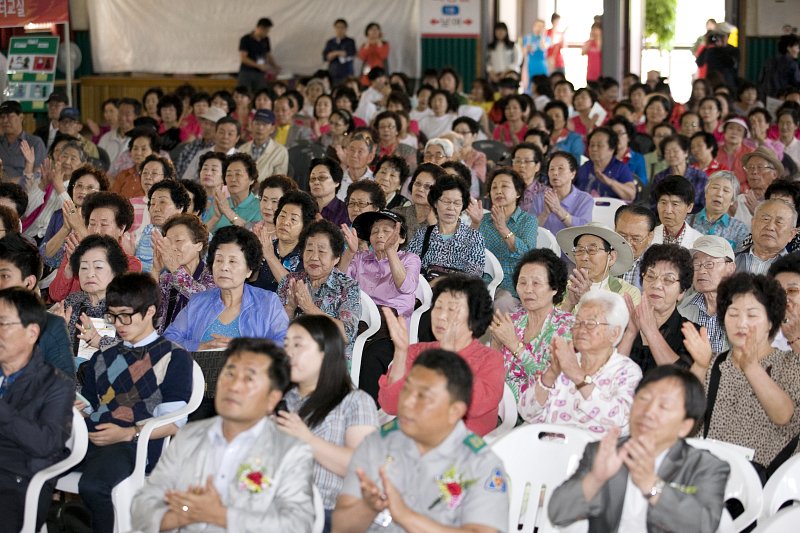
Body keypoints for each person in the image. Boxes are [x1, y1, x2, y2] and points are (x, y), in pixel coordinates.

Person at [130, 338, 315, 532]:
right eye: (229, 373)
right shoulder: (189, 437)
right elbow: (142, 505)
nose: (233, 386)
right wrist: (183, 514)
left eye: (249, 379)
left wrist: (221, 515)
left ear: (272, 398)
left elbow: (298, 525)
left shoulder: (290, 451)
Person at [333, 349, 509, 532]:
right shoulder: (377, 444)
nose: (408, 402)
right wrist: (368, 507)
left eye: (423, 396)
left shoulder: (480, 464)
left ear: (455, 411)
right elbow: (340, 527)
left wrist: (407, 517)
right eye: (406, 389)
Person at [75, 273, 194, 533]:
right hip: (95, 437)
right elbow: (93, 407)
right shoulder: (102, 358)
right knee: (31, 458)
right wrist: (78, 411)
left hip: (139, 445)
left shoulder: (173, 357)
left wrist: (129, 433)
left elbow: (174, 422)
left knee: (92, 485)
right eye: (113, 316)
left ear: (150, 311)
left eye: (126, 315)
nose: (119, 324)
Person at [548, 365, 729, 532]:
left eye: (664, 406)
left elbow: (704, 527)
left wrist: (651, 485)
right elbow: (558, 514)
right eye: (643, 399)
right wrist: (595, 478)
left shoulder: (705, 466)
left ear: (685, 426)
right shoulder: (604, 452)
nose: (648, 412)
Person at [686, 273, 800, 479]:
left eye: (752, 314)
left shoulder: (791, 364)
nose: (741, 323)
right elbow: (681, 419)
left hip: (765, 487)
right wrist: (700, 366)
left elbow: (784, 416)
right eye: (733, 313)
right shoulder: (713, 362)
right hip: (706, 477)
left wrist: (751, 367)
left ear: (771, 321)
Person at [278, 315, 378, 529]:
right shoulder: (282, 401)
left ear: (326, 351)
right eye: (286, 344)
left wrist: (307, 439)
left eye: (298, 344)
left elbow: (363, 468)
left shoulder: (355, 401)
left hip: (328, 513)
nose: (288, 352)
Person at [378, 274, 504, 436]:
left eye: (451, 309)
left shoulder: (490, 360)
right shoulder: (416, 351)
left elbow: (474, 406)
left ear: (474, 318)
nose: (441, 316)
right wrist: (401, 353)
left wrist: (448, 358)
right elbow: (390, 405)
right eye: (438, 307)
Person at [518, 289, 642, 436]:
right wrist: (551, 373)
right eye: (577, 322)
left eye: (590, 323)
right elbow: (526, 412)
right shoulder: (566, 361)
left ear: (614, 333)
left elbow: (621, 422)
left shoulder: (626, 371)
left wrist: (577, 375)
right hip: (550, 448)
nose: (581, 329)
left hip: (593, 454)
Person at [0, 287, 73, 533]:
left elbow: (47, 444)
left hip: (17, 483)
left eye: (3, 324)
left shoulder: (55, 385)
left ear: (32, 333)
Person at [164, 225, 288, 353]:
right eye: (219, 260)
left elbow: (286, 344)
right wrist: (199, 347)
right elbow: (168, 340)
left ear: (249, 270)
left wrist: (245, 347)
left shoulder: (268, 302)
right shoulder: (198, 302)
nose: (224, 267)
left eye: (232, 261)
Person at [490, 249, 574, 400]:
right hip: (500, 404)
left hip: (540, 411)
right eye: (522, 283)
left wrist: (515, 345)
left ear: (554, 288)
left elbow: (553, 384)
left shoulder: (566, 326)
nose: (527, 290)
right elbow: (492, 372)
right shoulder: (512, 321)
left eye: (536, 283)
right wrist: (496, 344)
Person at [277, 220, 360, 359]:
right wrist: (290, 308)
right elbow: (274, 330)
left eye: (322, 251)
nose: (314, 257)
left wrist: (310, 308)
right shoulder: (289, 281)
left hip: (330, 360)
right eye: (309, 250)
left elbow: (346, 335)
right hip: (291, 356)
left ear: (336, 258)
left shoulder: (348, 287)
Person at [618, 244, 696, 374]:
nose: (657, 285)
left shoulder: (691, 334)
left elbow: (682, 379)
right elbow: (610, 377)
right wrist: (630, 333)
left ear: (682, 292)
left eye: (668, 280)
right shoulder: (623, 324)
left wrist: (651, 331)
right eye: (650, 276)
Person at [470, 168, 539, 311]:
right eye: (494, 187)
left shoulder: (528, 221)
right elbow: (468, 253)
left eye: (505, 186)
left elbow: (527, 255)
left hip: (513, 286)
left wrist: (503, 228)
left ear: (518, 193)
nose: (498, 191)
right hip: (483, 283)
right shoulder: (483, 220)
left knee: (501, 303)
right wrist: (475, 223)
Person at [53, 234, 129, 360]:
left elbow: (136, 352)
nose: (89, 274)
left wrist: (99, 341)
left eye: (98, 267)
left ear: (115, 271)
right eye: (84, 268)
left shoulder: (128, 307)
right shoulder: (72, 303)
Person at [406, 174, 485, 281]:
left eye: (457, 203)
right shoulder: (423, 234)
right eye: (446, 201)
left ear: (463, 206)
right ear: (435, 203)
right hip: (425, 291)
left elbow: (475, 275)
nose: (451, 208)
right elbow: (409, 266)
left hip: (458, 293)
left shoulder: (474, 236)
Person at [556, 222, 641, 313]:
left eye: (592, 250)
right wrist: (569, 303)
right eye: (579, 250)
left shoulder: (627, 293)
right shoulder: (561, 289)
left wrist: (587, 298)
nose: (584, 257)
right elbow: (549, 326)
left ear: (611, 257)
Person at [152, 213, 215, 334]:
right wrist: (155, 270)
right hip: (166, 344)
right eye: (168, 242)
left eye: (178, 240)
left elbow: (202, 300)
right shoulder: (167, 279)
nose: (173, 247)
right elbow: (150, 313)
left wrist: (174, 267)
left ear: (199, 245)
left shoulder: (213, 275)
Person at [678, 235, 736, 354]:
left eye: (709, 264)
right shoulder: (682, 308)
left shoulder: (744, 309)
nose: (701, 271)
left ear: (730, 268)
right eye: (696, 265)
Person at [251, 190, 317, 293]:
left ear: (305, 225)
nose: (285, 222)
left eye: (293, 219)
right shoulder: (266, 246)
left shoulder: (308, 256)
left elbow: (295, 291)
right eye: (282, 216)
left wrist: (270, 257)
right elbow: (249, 279)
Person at [533, 151, 594, 235]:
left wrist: (559, 210)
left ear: (573, 173)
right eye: (551, 169)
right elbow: (528, 232)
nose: (555, 173)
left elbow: (585, 230)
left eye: (560, 168)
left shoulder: (585, 199)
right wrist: (545, 214)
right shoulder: (539, 198)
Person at [135, 180, 190, 273]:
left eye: (163, 202)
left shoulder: (194, 236)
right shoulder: (149, 231)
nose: (156, 208)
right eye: (152, 203)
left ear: (180, 207)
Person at [688, 171, 749, 250]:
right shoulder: (687, 221)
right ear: (706, 193)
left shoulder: (740, 229)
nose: (719, 194)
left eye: (726, 190)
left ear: (732, 200)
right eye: (715, 187)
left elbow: (742, 259)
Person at [735, 198, 798, 274]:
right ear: (753, 223)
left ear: (791, 234)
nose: (770, 227)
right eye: (765, 219)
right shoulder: (731, 258)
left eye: (779, 222)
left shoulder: (795, 268)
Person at [205, 153, 262, 232]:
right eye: (228, 175)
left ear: (251, 179)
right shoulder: (220, 203)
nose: (233, 179)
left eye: (238, 174)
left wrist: (228, 211)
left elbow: (254, 235)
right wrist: (215, 218)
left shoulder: (260, 207)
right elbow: (201, 236)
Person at [576, 127, 637, 201]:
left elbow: (631, 195)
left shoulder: (620, 168)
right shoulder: (584, 168)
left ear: (612, 149)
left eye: (599, 145)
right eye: (592, 145)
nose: (594, 149)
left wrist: (610, 182)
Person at [651, 136, 708, 213]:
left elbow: (705, 205)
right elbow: (654, 204)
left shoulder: (700, 176)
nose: (671, 155)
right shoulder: (660, 177)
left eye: (675, 151)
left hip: (693, 220)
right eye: (667, 152)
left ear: (686, 153)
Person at [180, 113, 240, 183]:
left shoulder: (241, 158)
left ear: (237, 138)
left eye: (230, 134)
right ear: (215, 133)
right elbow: (187, 180)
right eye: (221, 132)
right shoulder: (202, 154)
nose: (225, 137)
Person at [733, 146, 784, 227]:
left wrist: (760, 213)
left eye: (760, 167)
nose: (754, 172)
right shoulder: (737, 202)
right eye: (750, 167)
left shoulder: (782, 204)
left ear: (774, 174)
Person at [391, 163, 443, 242]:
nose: (420, 189)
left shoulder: (444, 222)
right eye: (417, 183)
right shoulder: (397, 213)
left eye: (427, 186)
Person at [238, 109, 289, 182]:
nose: (260, 128)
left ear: (272, 128)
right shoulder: (242, 149)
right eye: (257, 123)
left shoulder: (280, 151)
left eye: (264, 124)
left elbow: (279, 182)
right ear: (251, 125)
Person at [0, 101, 46, 180]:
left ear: (21, 117)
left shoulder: (35, 142)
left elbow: (39, 175)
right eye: (2, 117)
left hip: (26, 189)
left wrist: (15, 181)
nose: (5, 120)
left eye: (9, 116)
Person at [615, 204, 656, 291]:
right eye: (622, 236)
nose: (628, 243)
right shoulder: (604, 256)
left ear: (650, 236)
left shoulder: (657, 264)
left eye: (635, 239)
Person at [237, 18, 280, 92]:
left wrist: (275, 66)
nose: (267, 33)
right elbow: (243, 58)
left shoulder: (266, 39)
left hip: (260, 74)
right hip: (246, 72)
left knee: (261, 93)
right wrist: (258, 66)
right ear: (260, 28)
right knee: (245, 94)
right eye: (266, 31)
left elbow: (268, 54)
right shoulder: (246, 39)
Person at [716, 117, 754, 194]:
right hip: (718, 191)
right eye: (731, 128)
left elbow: (754, 178)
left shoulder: (751, 153)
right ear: (724, 131)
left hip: (743, 194)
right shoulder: (715, 150)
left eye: (739, 130)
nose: (734, 132)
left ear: (744, 135)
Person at [310, 157, 349, 227]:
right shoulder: (306, 208)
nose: (316, 182)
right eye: (312, 178)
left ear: (336, 182)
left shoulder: (346, 212)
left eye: (322, 177)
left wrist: (324, 227)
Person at [760, 33, 800, 99]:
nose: (798, 51)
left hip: (766, 98)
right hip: (784, 99)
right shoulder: (792, 64)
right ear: (789, 48)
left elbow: (761, 80)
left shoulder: (768, 62)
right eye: (797, 47)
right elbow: (797, 82)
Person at [323, 19, 357, 87]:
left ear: (346, 29)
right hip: (333, 72)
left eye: (342, 27)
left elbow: (351, 53)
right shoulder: (330, 42)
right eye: (337, 27)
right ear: (334, 28)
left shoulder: (350, 41)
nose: (340, 30)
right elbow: (326, 56)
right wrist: (339, 53)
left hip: (347, 72)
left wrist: (334, 53)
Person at [357, 22, 389, 87]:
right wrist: (368, 44)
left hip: (380, 73)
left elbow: (383, 55)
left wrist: (379, 42)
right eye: (371, 29)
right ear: (367, 32)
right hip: (366, 74)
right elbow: (361, 57)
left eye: (376, 29)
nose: (374, 31)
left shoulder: (385, 44)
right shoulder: (364, 45)